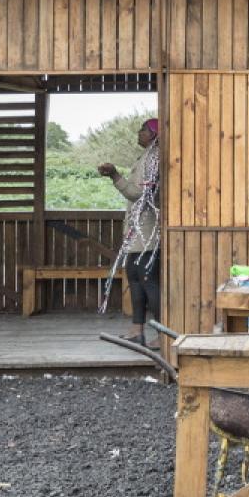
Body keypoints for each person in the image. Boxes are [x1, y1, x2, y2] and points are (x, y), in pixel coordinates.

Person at [98, 118, 161, 347]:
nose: (139, 132)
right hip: (138, 229)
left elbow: (140, 194)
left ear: (154, 134)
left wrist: (115, 175)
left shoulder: (155, 158)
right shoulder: (147, 157)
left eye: (144, 129)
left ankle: (163, 333)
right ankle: (138, 330)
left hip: (148, 231)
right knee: (135, 278)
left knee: (147, 280)